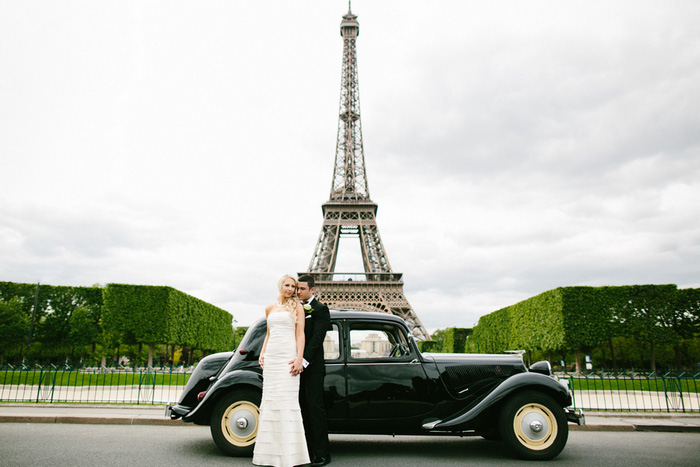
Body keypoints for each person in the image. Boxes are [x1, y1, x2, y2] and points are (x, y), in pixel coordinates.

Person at [252, 275, 310, 467]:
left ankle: (289, 455)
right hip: (272, 359)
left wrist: (299, 358)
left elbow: (300, 334)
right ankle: (269, 455)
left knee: (286, 403)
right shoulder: (270, 308)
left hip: (287, 358)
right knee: (270, 402)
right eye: (287, 285)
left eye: (293, 286)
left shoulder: (298, 307)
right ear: (280, 285)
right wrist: (262, 353)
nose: (290, 289)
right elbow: (269, 334)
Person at [296, 274, 331, 466]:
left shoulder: (320, 309)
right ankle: (305, 451)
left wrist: (304, 361)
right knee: (301, 410)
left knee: (315, 409)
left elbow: (317, 339)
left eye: (302, 289)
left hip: (312, 367)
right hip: (295, 367)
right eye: (297, 289)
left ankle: (322, 453)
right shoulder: (294, 308)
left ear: (312, 289)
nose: (298, 292)